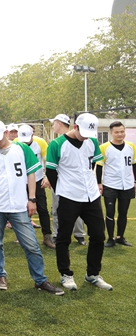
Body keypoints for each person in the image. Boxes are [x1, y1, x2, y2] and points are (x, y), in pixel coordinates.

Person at [0, 120, 64, 295]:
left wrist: (32, 198)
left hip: (19, 205)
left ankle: (40, 280)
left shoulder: (22, 149)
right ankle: (0, 275)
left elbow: (32, 174)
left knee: (31, 244)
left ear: (6, 132)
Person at [46, 113, 112, 291]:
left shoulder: (91, 142)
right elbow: (51, 171)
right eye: (82, 132)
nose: (85, 137)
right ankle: (66, 274)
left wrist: (96, 184)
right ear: (75, 127)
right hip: (68, 196)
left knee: (98, 235)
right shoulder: (57, 144)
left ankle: (93, 274)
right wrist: (61, 190)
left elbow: (95, 164)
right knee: (63, 237)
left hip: (91, 196)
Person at [48, 114, 87, 245]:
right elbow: (51, 168)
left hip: (72, 184)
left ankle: (77, 234)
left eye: (54, 123)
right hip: (60, 183)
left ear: (59, 123)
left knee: (73, 209)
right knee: (58, 209)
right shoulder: (57, 142)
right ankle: (62, 234)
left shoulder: (75, 141)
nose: (53, 125)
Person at [96, 121, 135, 247]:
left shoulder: (131, 146)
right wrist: (99, 183)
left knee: (123, 212)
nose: (120, 134)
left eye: (122, 131)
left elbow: (134, 165)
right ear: (111, 133)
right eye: (117, 132)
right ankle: (110, 238)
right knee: (110, 212)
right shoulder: (104, 147)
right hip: (110, 184)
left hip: (127, 184)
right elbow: (99, 167)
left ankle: (120, 237)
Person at [17, 125, 55, 249]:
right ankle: (21, 235)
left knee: (42, 209)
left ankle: (47, 236)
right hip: (21, 182)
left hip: (38, 180)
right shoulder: (15, 144)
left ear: (33, 135)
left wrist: (47, 177)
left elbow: (48, 161)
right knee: (21, 209)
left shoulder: (41, 143)